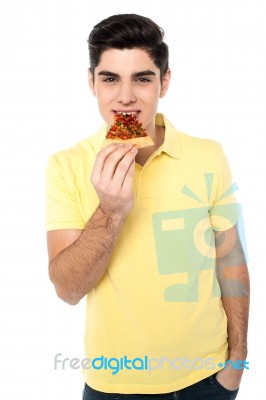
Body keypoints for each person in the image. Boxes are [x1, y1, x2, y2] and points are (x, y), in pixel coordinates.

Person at [46, 13, 250, 400]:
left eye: (142, 78)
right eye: (110, 79)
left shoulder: (209, 155)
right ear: (91, 82)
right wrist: (110, 210)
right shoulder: (66, 165)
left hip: (209, 379)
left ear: (165, 81)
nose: (125, 96)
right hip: (115, 384)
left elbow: (231, 259)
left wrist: (237, 361)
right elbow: (68, 291)